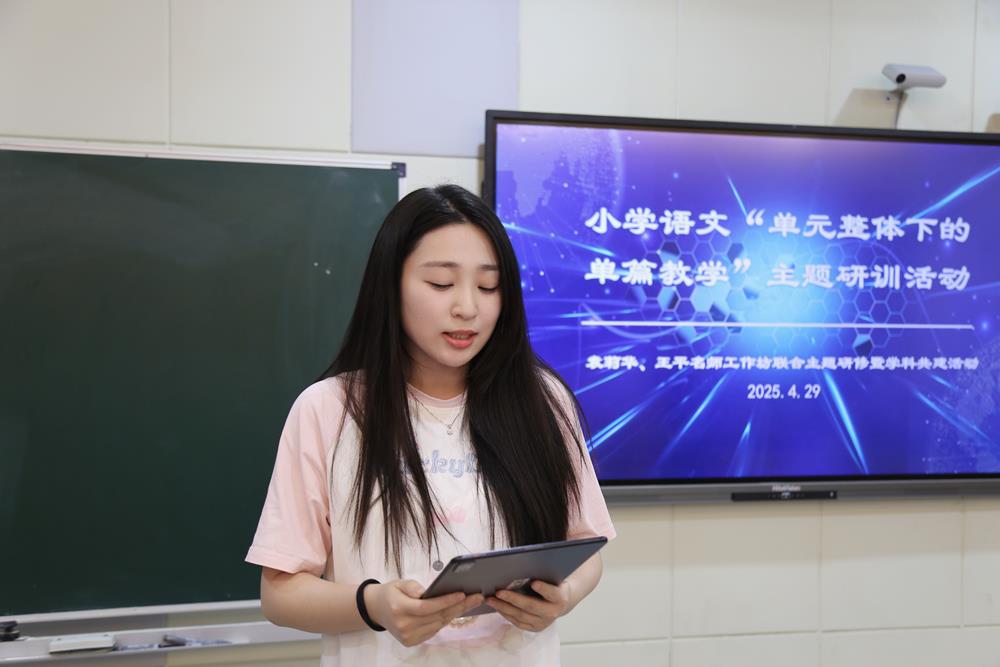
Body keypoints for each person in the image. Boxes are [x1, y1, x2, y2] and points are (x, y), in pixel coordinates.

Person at [246, 184, 615, 665]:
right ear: (391, 285)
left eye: (488, 286)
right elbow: (279, 594)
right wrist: (373, 605)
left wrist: (562, 596)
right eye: (441, 284)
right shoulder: (328, 410)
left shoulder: (543, 401)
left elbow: (585, 547)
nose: (468, 307)